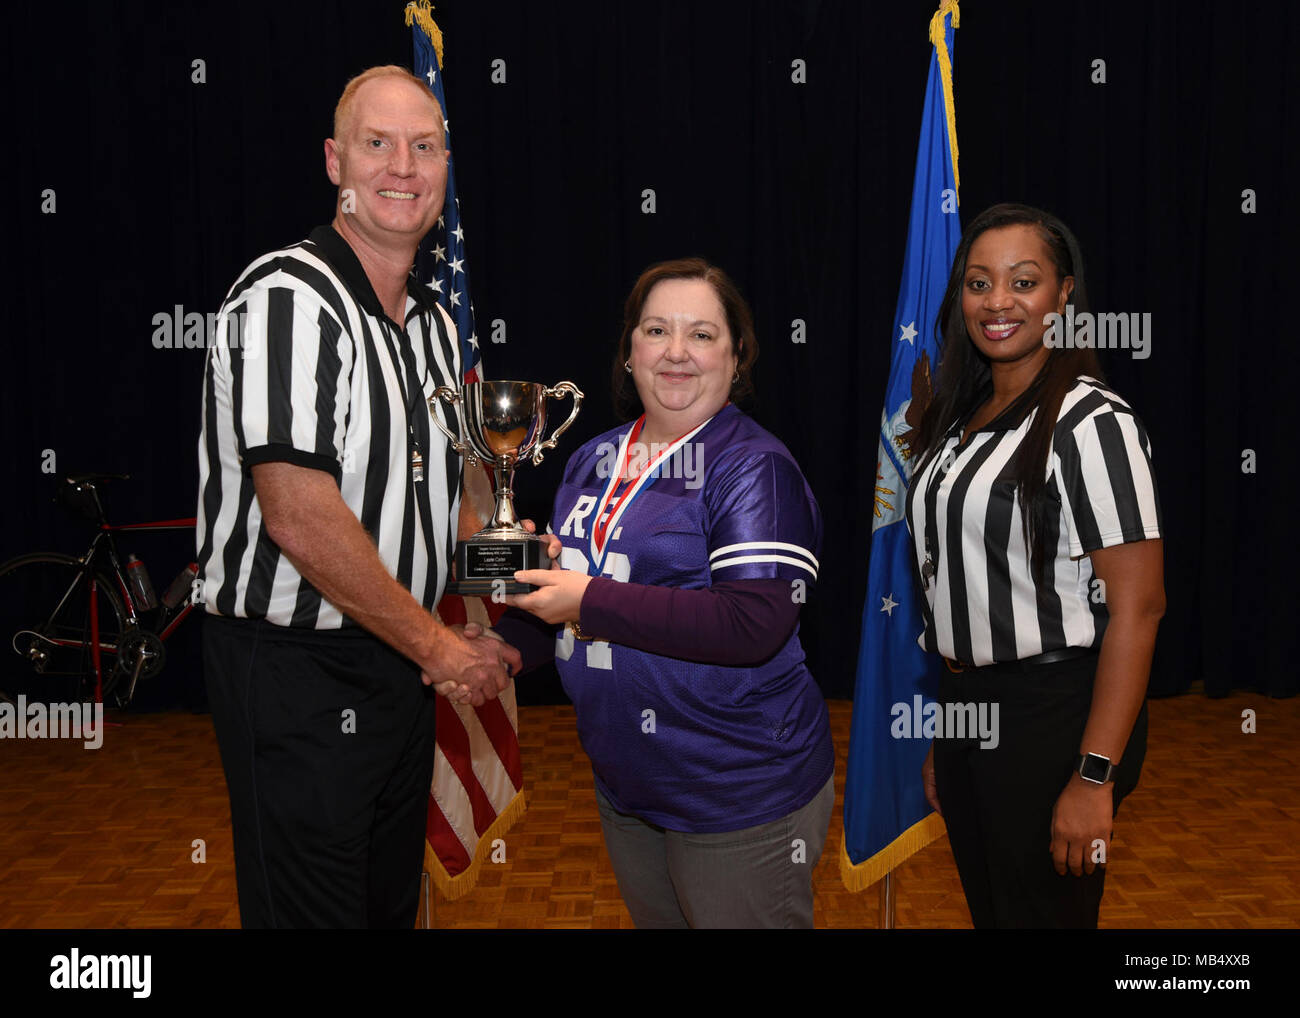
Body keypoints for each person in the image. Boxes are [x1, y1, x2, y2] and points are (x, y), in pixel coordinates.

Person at [195, 65, 520, 928]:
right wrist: (444, 651)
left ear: (447, 169)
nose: (403, 168)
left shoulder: (435, 326)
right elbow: (298, 515)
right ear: (336, 161)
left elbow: (446, 507)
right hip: (296, 670)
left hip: (399, 661)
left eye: (425, 148)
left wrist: (525, 563)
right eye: (378, 145)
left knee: (383, 908)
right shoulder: (289, 299)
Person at [497, 258, 835, 929]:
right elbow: (576, 607)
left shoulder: (752, 467)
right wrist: (500, 651)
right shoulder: (592, 459)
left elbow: (753, 623)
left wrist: (586, 599)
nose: (677, 352)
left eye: (703, 335)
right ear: (628, 353)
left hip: (736, 789)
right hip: (627, 783)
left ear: (737, 358)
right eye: (656, 330)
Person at [905, 203, 1164, 928]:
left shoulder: (1094, 423)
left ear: (1065, 295)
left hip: (1054, 718)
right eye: (979, 283)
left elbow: (1139, 610)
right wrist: (949, 738)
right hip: (970, 710)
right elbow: (959, 591)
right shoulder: (959, 419)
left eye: (1024, 282)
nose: (998, 303)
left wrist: (1093, 778)